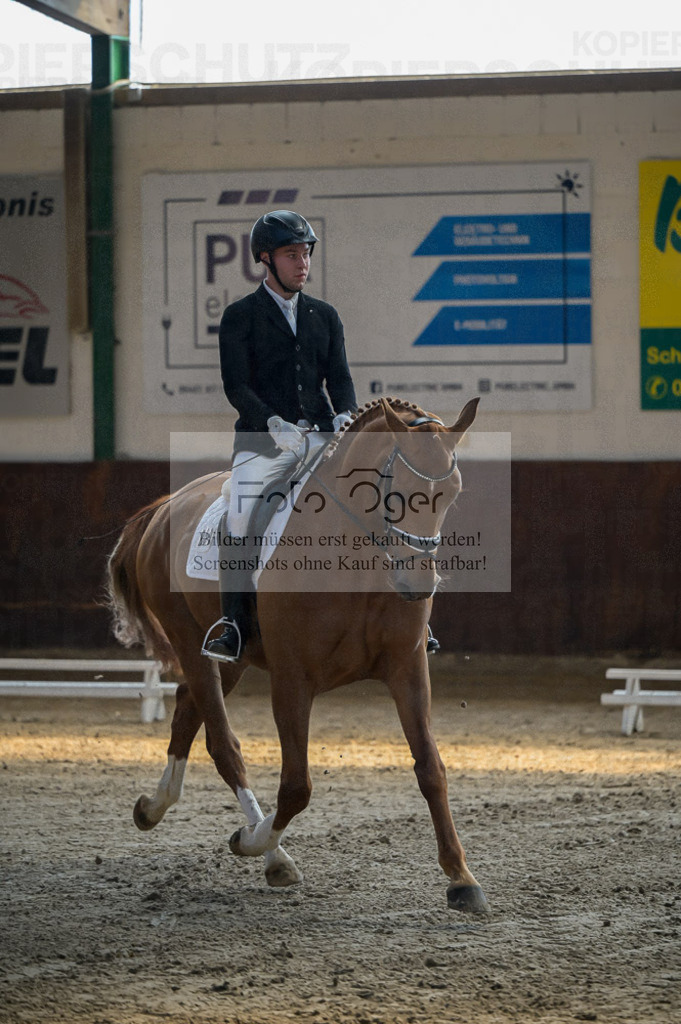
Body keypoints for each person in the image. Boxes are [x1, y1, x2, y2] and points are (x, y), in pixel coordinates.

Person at [204, 210, 357, 662]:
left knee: (373, 498)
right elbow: (237, 386)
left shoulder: (324, 316)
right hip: (262, 442)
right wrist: (272, 421)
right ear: (265, 259)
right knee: (239, 515)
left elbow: (339, 377)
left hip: (321, 437)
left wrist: (345, 414)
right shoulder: (240, 316)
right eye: (292, 254)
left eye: (306, 253)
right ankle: (233, 623)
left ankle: (407, 616)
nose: (302, 263)